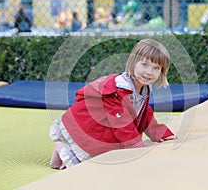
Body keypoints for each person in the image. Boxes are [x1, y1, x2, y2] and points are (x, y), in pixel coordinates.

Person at [49, 39, 178, 169]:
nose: (149, 72)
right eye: (144, 65)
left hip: (106, 126)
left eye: (156, 68)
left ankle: (63, 153)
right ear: (133, 63)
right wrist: (135, 146)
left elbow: (145, 114)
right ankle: (60, 149)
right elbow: (121, 122)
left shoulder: (143, 89)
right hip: (88, 124)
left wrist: (159, 132)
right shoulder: (119, 90)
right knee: (82, 165)